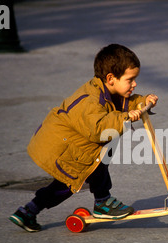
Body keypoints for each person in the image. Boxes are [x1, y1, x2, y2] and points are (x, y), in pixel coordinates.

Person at [9, 44, 158, 232]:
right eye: (130, 80)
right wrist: (126, 117)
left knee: (85, 172)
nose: (134, 84)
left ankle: (27, 211)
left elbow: (125, 102)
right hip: (64, 148)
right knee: (70, 183)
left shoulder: (109, 91)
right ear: (111, 78)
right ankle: (102, 203)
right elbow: (98, 128)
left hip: (80, 148)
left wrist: (143, 101)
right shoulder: (90, 100)